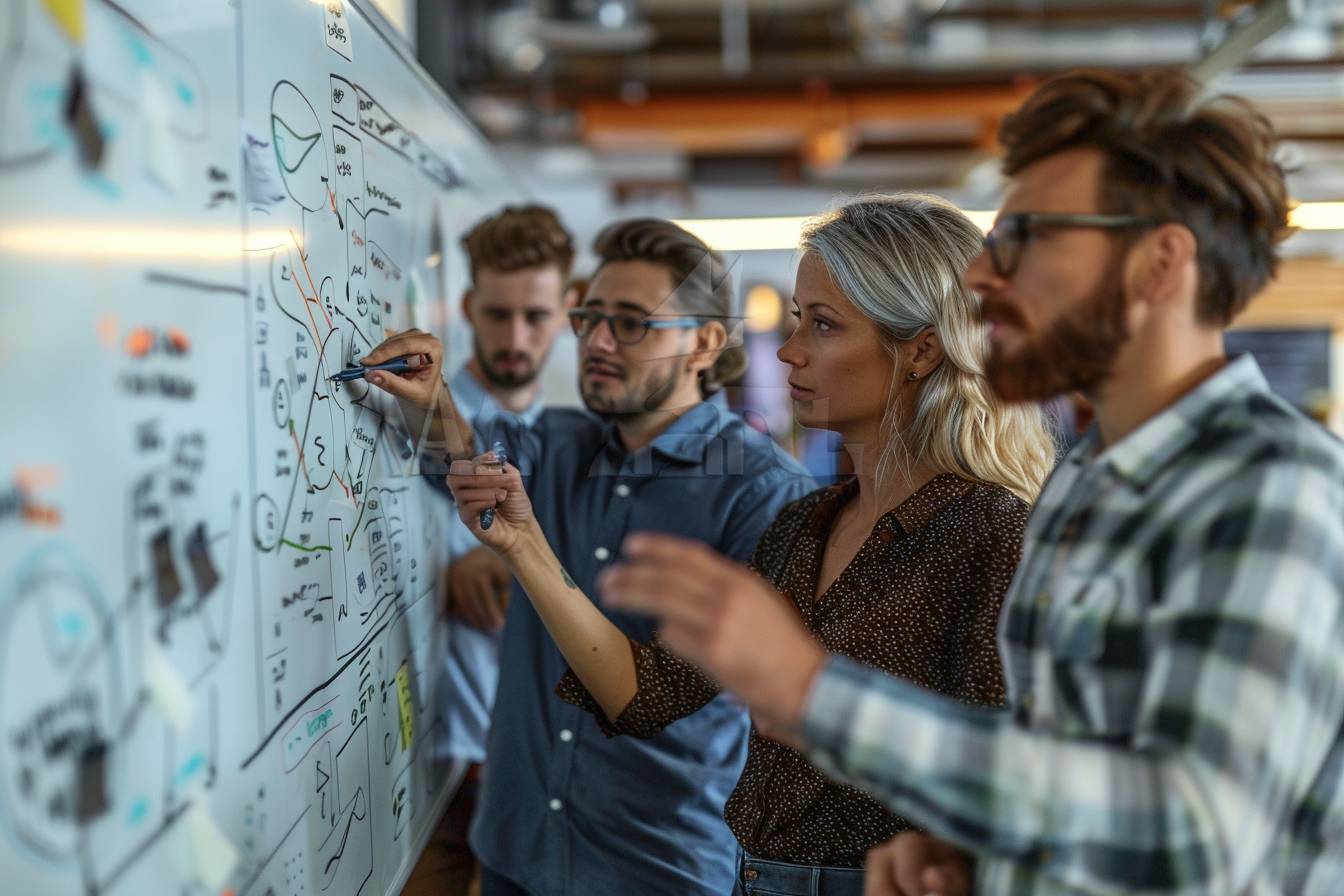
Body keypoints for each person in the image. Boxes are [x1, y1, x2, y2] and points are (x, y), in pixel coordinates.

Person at [600, 68, 1344, 895]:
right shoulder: (1087, 490)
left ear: (1158, 264)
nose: (986, 276)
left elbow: (1190, 837)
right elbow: (1072, 777)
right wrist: (983, 854)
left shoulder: (1268, 487)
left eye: (1029, 236)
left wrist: (815, 693)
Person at [510, 194, 1055, 895]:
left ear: (920, 348)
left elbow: (1012, 796)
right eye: (798, 321)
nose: (790, 351)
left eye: (823, 326)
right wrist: (523, 542)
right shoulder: (806, 526)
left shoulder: (992, 533)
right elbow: (646, 695)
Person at [365, 218, 815, 896]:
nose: (598, 343)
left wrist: (522, 548)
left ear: (705, 342)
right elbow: (460, 461)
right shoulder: (561, 443)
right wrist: (434, 402)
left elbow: (657, 694)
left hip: (654, 873)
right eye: (590, 318)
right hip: (517, 853)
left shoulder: (766, 497)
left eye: (632, 323)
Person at [403, 205, 577, 896]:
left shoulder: (578, 450)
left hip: (526, 770)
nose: (515, 337)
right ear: (469, 306)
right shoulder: (410, 414)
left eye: (535, 317)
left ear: (565, 311)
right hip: (416, 776)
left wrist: (514, 559)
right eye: (498, 314)